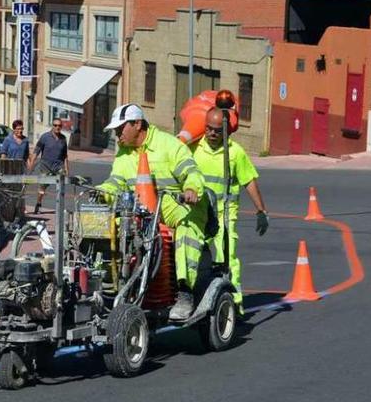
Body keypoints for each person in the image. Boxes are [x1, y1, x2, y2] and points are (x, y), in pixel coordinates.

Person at [97, 104, 208, 321]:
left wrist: (192, 188)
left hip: (177, 206)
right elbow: (115, 182)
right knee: (106, 229)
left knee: (187, 231)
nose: (117, 134)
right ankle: (111, 288)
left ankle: (185, 293)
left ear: (137, 124)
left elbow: (191, 171)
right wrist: (101, 193)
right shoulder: (123, 153)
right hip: (141, 209)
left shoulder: (168, 144)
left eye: (121, 129)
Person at [189, 107, 269, 313]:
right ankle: (196, 296)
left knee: (227, 258)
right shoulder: (194, 148)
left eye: (217, 130)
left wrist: (261, 212)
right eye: (208, 129)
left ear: (226, 131)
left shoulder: (234, 153)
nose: (212, 134)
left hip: (224, 214)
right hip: (199, 213)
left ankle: (234, 303)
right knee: (193, 254)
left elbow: (249, 181)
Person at [28, 118, 69, 214]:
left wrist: (67, 168)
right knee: (42, 188)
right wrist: (31, 165)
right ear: (52, 126)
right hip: (45, 166)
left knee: (61, 186)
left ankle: (60, 206)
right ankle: (38, 203)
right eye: (55, 125)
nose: (57, 127)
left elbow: (65, 155)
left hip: (58, 166)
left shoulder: (63, 139)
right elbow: (36, 152)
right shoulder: (45, 137)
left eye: (59, 126)